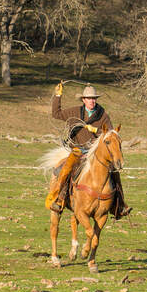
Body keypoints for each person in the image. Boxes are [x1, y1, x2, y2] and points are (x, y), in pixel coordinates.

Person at [45, 82, 132, 219]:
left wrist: (96, 130)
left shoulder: (102, 114)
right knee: (66, 168)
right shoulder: (74, 112)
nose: (92, 101)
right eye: (89, 98)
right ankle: (59, 199)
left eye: (94, 98)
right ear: (83, 100)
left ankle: (120, 205)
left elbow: (109, 134)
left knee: (115, 174)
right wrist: (58, 95)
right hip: (78, 150)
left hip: (96, 153)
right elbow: (56, 114)